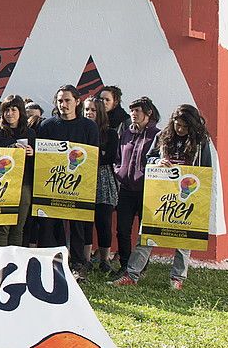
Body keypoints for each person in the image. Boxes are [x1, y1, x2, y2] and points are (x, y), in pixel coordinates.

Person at [113, 104, 209, 291]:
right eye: (177, 125)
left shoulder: (200, 142)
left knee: (183, 238)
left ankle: (177, 278)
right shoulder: (163, 136)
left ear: (192, 126)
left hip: (186, 197)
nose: (180, 129)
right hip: (161, 194)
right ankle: (131, 274)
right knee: (147, 234)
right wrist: (158, 161)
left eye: (184, 126)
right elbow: (148, 159)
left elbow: (205, 170)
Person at [37, 85, 100, 276]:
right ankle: (53, 263)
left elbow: (93, 157)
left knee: (78, 226)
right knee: (50, 225)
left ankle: (79, 264)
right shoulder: (47, 126)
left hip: (79, 185)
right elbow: (42, 157)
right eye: (60, 101)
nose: (63, 104)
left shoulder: (89, 126)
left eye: (67, 100)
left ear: (77, 101)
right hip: (52, 184)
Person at [113, 96, 160, 272]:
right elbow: (118, 157)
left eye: (137, 110)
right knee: (122, 229)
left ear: (148, 113)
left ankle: (140, 266)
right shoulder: (125, 133)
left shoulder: (157, 135)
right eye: (132, 110)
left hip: (147, 191)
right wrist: (119, 172)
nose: (133, 113)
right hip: (126, 190)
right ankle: (125, 264)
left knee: (145, 232)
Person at [0, 94, 38, 248]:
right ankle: (0, 264)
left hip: (24, 183)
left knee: (18, 226)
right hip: (2, 185)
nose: (9, 114)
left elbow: (40, 163)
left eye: (13, 110)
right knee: (3, 227)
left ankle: (15, 264)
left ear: (21, 111)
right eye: (6, 110)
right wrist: (10, 150)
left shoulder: (30, 133)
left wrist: (32, 153)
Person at [84, 95, 120, 272]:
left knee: (104, 221)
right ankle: (85, 259)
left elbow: (110, 157)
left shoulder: (111, 133)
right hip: (82, 178)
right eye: (86, 109)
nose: (89, 113)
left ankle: (105, 260)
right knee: (84, 221)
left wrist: (90, 157)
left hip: (103, 180)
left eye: (93, 110)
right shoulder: (80, 130)